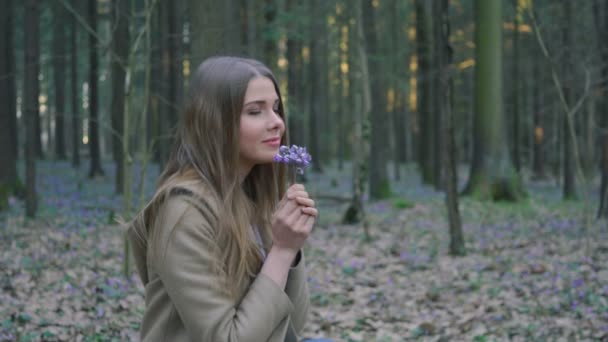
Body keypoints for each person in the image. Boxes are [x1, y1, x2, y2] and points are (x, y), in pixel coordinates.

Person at [128, 56, 321, 341]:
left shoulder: (253, 200)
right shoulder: (183, 214)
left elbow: (292, 325)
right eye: (256, 112)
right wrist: (281, 250)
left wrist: (291, 250)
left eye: (276, 109)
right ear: (216, 123)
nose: (277, 123)